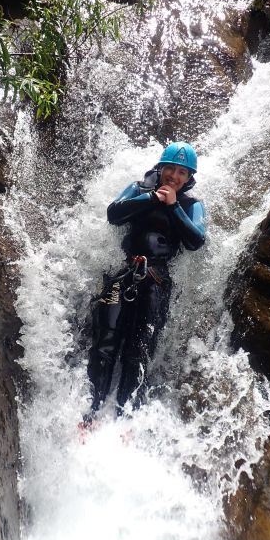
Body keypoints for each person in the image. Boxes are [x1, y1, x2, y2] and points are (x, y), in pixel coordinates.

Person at [85, 142, 205, 420]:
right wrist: (153, 199)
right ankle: (89, 413)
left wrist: (174, 207)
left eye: (182, 173)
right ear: (160, 168)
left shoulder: (191, 205)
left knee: (139, 351)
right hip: (123, 273)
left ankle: (126, 419)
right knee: (105, 343)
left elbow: (196, 241)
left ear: (188, 178)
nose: (174, 176)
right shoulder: (139, 189)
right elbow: (113, 213)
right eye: (170, 169)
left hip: (157, 281)